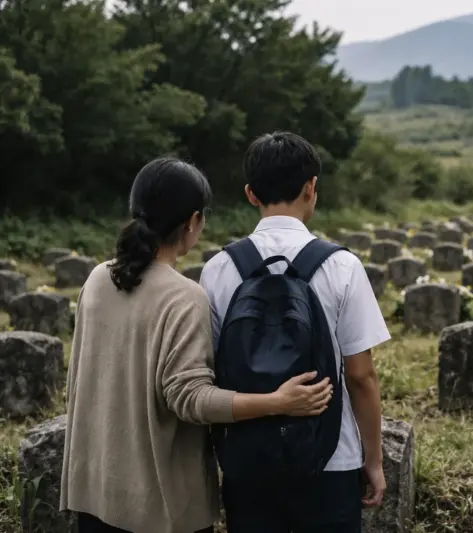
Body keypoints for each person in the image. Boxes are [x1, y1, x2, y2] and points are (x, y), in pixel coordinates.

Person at [60, 157, 333, 533]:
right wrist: (278, 402)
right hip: (158, 505)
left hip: (95, 490)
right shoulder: (184, 296)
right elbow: (189, 397)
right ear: (192, 222)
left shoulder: (97, 279)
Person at [200, 132, 390, 533]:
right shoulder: (342, 266)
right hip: (330, 458)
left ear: (251, 194)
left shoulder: (218, 268)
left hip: (248, 459)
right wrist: (372, 459)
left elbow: (211, 371)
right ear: (311, 189)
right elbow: (360, 376)